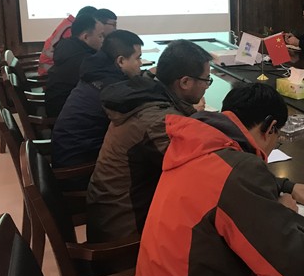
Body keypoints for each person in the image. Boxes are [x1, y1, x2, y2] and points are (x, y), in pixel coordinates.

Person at [124, 83, 304, 276]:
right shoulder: (239, 171)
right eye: (277, 137)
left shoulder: (194, 144)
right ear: (270, 127)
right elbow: (292, 265)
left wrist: (287, 187)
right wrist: (291, 213)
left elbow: (227, 180)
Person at [86, 39, 212, 242]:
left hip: (112, 213)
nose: (207, 86)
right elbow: (198, 172)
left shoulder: (146, 96)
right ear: (185, 82)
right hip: (125, 232)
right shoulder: (157, 120)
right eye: (206, 80)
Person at [52, 30, 144, 169]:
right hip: (79, 167)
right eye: (138, 58)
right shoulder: (112, 90)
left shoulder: (97, 72)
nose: (141, 63)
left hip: (69, 152)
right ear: (120, 61)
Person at [44, 13, 105, 117]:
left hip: (56, 105)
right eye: (100, 36)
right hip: (65, 114)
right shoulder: (84, 59)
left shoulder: (67, 46)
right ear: (86, 37)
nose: (103, 40)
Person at [38, 5, 97, 76]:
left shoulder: (69, 23)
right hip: (49, 72)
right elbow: (73, 55)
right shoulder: (70, 29)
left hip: (54, 67)